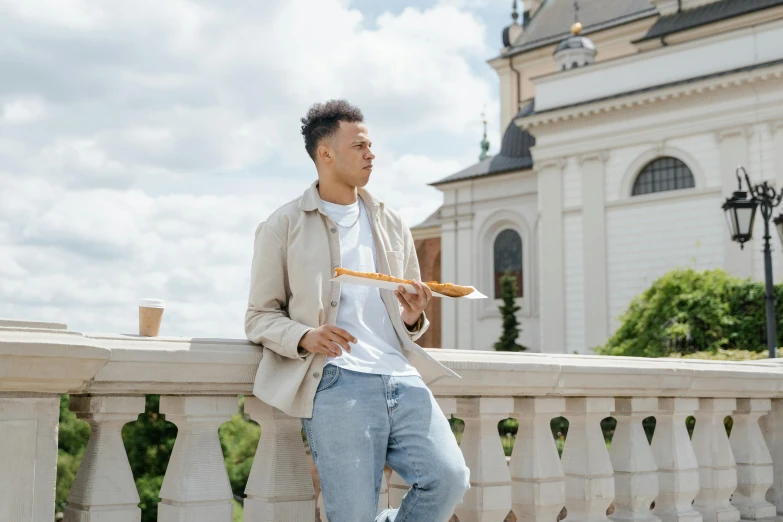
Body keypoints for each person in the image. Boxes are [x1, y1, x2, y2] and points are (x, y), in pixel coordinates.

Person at [245, 99, 470, 521]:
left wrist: (412, 315)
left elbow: (410, 320)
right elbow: (259, 315)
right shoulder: (283, 225)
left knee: (449, 478)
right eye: (360, 146)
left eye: (371, 145)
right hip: (335, 382)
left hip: (402, 377)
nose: (371, 154)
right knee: (351, 514)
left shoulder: (392, 222)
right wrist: (305, 336)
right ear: (325, 154)